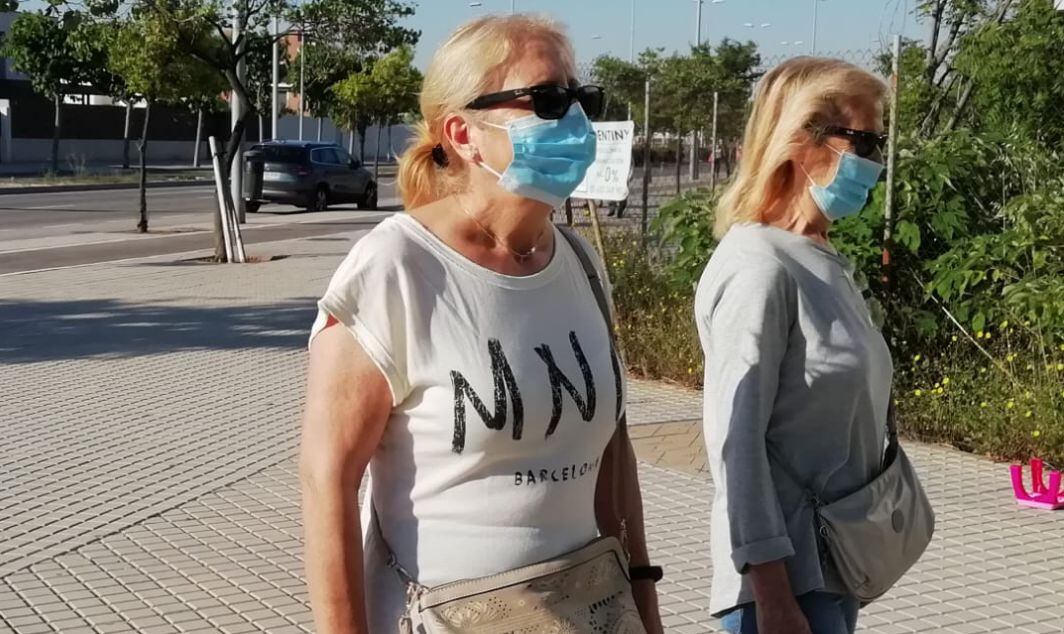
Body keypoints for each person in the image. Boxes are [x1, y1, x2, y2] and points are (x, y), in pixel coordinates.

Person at [300, 14, 662, 634]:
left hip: (591, 613)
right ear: (463, 133)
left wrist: (645, 606)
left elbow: (614, 460)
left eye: (580, 98)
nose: (574, 120)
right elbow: (326, 479)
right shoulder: (396, 267)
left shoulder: (579, 261)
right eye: (547, 100)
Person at [694, 57, 893, 634]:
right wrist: (774, 598)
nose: (874, 162)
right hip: (781, 590)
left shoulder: (816, 254)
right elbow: (735, 444)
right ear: (801, 142)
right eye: (865, 141)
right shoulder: (760, 266)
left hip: (828, 567)